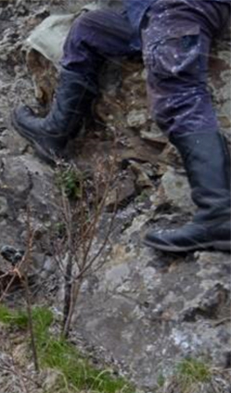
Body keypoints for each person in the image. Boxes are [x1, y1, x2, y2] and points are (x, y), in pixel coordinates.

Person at [12, 0, 230, 253]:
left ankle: (219, 213)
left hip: (177, 9)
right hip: (147, 13)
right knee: (88, 29)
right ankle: (55, 131)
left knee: (178, 97)